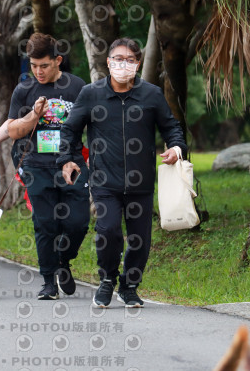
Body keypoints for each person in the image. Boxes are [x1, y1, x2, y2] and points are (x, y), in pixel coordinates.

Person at [58, 38, 187, 308]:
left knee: (140, 240)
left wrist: (176, 148)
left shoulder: (151, 94)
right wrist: (68, 159)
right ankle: (107, 280)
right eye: (118, 58)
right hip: (104, 180)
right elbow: (70, 129)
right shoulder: (91, 94)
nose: (123, 64)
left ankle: (129, 286)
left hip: (141, 183)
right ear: (108, 62)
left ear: (138, 64)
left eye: (130, 60)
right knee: (108, 231)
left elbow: (171, 127)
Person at [6, 33, 90, 300]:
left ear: (58, 61)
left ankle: (64, 260)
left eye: (44, 65)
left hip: (72, 164)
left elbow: (93, 125)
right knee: (45, 224)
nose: (38, 71)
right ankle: (48, 282)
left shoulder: (78, 87)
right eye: (33, 65)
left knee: (78, 222)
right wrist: (34, 115)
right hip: (36, 166)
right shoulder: (24, 90)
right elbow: (14, 131)